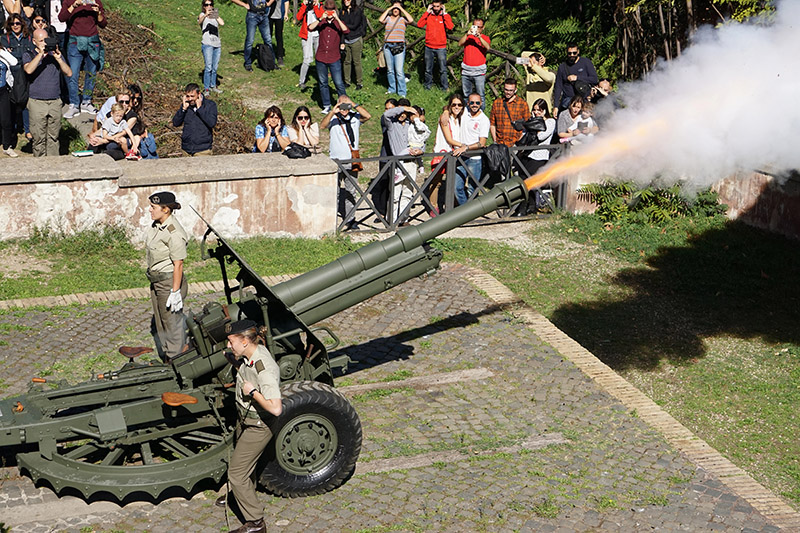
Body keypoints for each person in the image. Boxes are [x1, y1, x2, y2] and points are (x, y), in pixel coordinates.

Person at [220, 319, 282, 533]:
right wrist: (234, 362)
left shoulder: (264, 368)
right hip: (246, 417)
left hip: (259, 423)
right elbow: (248, 371)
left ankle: (256, 523)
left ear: (245, 341)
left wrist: (253, 393)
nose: (229, 345)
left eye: (231, 342)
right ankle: (242, 496)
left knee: (236, 473)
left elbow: (276, 408)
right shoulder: (251, 355)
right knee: (245, 466)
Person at [145, 191, 189, 359]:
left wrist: (175, 291)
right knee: (161, 322)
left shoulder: (173, 232)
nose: (150, 210)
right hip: (157, 282)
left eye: (153, 207)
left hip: (168, 283)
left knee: (172, 325)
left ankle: (176, 361)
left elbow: (178, 264)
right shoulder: (157, 226)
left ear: (165, 209)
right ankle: (167, 357)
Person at [321, 95, 370, 230]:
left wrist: (353, 104)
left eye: (345, 106)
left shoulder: (355, 117)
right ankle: (332, 218)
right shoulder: (334, 118)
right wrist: (333, 111)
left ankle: (350, 219)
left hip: (351, 160)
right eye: (341, 105)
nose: (344, 109)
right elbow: (323, 126)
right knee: (334, 192)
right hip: (335, 160)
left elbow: (368, 116)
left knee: (351, 191)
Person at [23, 28, 72, 156]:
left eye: (46, 40)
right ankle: (40, 166)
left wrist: (59, 58)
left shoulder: (55, 56)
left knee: (53, 137)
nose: (44, 43)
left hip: (55, 102)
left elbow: (69, 73)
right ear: (34, 42)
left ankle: (53, 166)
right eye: (41, 41)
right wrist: (40, 55)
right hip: (37, 102)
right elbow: (28, 70)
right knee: (38, 138)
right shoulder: (29, 54)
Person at [59, 0, 107, 118]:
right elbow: (61, 17)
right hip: (75, 41)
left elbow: (103, 24)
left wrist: (98, 13)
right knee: (72, 74)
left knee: (91, 73)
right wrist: (73, 6)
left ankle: (87, 101)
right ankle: (74, 104)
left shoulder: (95, 1)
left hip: (92, 41)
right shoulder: (69, 1)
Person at [514, 98, 556, 215]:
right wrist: (532, 121)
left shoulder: (550, 122)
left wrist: (537, 121)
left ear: (544, 110)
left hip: (540, 156)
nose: (536, 112)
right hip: (528, 154)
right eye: (535, 109)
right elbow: (523, 135)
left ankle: (523, 208)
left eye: (539, 110)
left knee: (530, 181)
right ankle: (529, 206)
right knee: (523, 179)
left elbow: (542, 136)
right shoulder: (531, 120)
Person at [426, 93, 464, 214]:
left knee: (454, 181)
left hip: (455, 153)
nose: (456, 107)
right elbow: (449, 139)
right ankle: (434, 207)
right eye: (454, 105)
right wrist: (465, 146)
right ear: (450, 105)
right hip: (443, 153)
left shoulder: (460, 118)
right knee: (436, 182)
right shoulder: (445, 119)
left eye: (459, 104)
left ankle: (452, 206)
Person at [307, 0, 348, 114]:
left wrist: (337, 18)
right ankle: (326, 105)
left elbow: (346, 30)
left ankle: (344, 105)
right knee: (323, 82)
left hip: (334, 57)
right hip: (321, 57)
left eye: (331, 11)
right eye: (328, 11)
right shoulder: (322, 22)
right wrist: (321, 18)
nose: (329, 14)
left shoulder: (338, 23)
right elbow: (310, 28)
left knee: (338, 83)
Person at [382, 97, 418, 225]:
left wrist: (420, 151)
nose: (402, 114)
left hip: (411, 161)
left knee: (408, 192)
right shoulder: (391, 124)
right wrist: (404, 108)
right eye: (400, 111)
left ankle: (404, 219)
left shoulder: (411, 125)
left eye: (405, 112)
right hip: (397, 163)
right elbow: (386, 114)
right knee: (395, 194)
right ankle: (392, 220)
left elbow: (421, 138)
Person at [2, 14, 34, 150]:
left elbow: (30, 55)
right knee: (11, 104)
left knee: (25, 102)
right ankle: (13, 129)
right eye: (12, 24)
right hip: (11, 76)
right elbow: (8, 59)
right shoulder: (4, 39)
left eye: (18, 23)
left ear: (22, 24)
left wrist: (14, 55)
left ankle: (27, 130)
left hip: (25, 75)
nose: (15, 26)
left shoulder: (29, 38)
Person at [453, 92, 488, 205]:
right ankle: (465, 211)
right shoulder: (464, 113)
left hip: (475, 158)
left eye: (477, 103)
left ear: (481, 103)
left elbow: (482, 143)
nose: (474, 105)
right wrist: (444, 112)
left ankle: (470, 213)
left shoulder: (484, 120)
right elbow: (450, 108)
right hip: (461, 156)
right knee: (456, 187)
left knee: (472, 189)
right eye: (472, 102)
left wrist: (466, 148)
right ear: (468, 103)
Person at [172, 82, 217, 156]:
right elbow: (175, 123)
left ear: (199, 94)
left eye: (192, 96)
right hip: (186, 149)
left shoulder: (210, 105)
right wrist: (183, 109)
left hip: (203, 150)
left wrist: (200, 109)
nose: (190, 99)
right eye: (188, 96)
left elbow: (212, 123)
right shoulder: (186, 106)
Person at [378, 2, 412, 97]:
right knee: (390, 70)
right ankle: (392, 89)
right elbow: (380, 19)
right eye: (394, 8)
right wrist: (390, 8)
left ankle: (402, 92)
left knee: (399, 71)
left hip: (399, 46)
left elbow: (411, 19)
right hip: (388, 46)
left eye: (398, 8)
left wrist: (402, 9)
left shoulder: (402, 19)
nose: (396, 9)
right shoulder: (388, 18)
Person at [552, 43, 598, 113]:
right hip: (568, 102)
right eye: (569, 53)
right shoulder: (562, 67)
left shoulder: (586, 62)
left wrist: (577, 78)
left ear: (578, 52)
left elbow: (594, 79)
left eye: (574, 53)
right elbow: (558, 87)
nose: (572, 55)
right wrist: (555, 106)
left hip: (584, 102)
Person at [417, 0, 452, 91]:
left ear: (441, 6)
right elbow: (419, 24)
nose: (436, 8)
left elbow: (450, 27)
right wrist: (427, 12)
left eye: (438, 6)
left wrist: (445, 14)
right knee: (428, 69)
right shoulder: (429, 15)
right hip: (429, 46)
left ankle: (444, 87)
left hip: (441, 47)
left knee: (443, 69)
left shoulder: (444, 16)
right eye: (434, 6)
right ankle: (427, 86)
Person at [230, 0, 274, 72]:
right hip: (252, 16)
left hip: (264, 15)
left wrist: (269, 3)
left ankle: (271, 62)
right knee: (250, 40)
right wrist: (244, 4)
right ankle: (247, 63)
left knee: (268, 40)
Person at [458, 18, 489, 109]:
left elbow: (487, 47)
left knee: (480, 95)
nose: (477, 29)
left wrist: (479, 37)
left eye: (479, 27)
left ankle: (481, 114)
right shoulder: (468, 37)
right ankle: (466, 113)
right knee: (466, 94)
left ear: (483, 28)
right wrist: (467, 34)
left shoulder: (485, 38)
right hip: (466, 70)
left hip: (479, 71)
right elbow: (460, 43)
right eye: (475, 26)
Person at [489, 77, 527, 147]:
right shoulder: (497, 103)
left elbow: (527, 124)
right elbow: (492, 123)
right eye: (506, 90)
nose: (508, 92)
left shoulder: (522, 104)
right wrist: (495, 140)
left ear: (515, 90)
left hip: (515, 143)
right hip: (500, 143)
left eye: (511, 90)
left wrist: (520, 140)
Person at [295, 0, 322, 90]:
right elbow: (298, 17)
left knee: (320, 58)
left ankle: (321, 80)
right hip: (306, 35)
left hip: (318, 35)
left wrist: (315, 6)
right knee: (307, 59)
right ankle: (301, 81)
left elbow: (320, 16)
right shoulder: (305, 7)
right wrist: (304, 5)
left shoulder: (319, 6)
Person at [199, 0, 224, 95]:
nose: (209, 6)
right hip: (207, 44)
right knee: (208, 67)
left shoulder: (214, 15)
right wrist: (206, 14)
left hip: (217, 44)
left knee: (215, 67)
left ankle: (213, 85)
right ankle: (206, 88)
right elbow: (199, 22)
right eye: (207, 5)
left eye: (211, 4)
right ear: (204, 6)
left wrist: (215, 15)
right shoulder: (202, 15)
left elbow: (222, 23)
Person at [339, 0, 364, 90]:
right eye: (345, 0)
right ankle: (347, 81)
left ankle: (359, 82)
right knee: (346, 61)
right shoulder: (342, 12)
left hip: (356, 39)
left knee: (356, 62)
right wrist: (342, 42)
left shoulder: (357, 11)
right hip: (346, 39)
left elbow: (355, 25)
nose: (346, 1)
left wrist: (342, 25)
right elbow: (341, 29)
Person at [0, 46, 17, 157]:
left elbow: (14, 62)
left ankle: (7, 146)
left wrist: (1, 51)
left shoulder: (2, 54)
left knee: (6, 120)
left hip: (3, 90)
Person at [407, 105, 429, 175]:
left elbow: (421, 128)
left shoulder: (421, 124)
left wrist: (417, 119)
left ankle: (421, 166)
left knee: (418, 157)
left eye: (414, 115)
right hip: (410, 144)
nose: (412, 117)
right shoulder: (410, 124)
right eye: (411, 115)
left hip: (418, 145)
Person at [268, 0, 288, 68]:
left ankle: (280, 56)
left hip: (279, 16)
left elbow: (286, 1)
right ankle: (268, 54)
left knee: (279, 37)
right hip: (269, 15)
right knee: (268, 36)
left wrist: (286, 14)